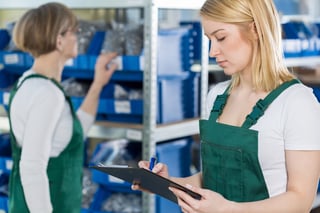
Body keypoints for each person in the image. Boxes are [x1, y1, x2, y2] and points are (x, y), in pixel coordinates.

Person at [134, 0, 320, 212]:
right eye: (209, 39)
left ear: (256, 29)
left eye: (221, 37)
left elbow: (301, 200)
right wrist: (166, 183)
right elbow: (215, 179)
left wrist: (228, 209)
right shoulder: (217, 96)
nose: (213, 51)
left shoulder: (297, 103)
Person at [7, 2, 117, 213]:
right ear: (59, 40)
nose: (77, 37)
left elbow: (74, 133)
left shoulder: (28, 82)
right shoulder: (47, 94)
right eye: (74, 32)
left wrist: (97, 84)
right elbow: (31, 167)